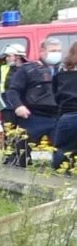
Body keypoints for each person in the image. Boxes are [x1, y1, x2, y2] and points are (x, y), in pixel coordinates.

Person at [4, 38, 62, 167]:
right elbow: (13, 91)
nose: (56, 53)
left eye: (59, 51)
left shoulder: (63, 70)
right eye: (53, 50)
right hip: (32, 116)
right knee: (21, 154)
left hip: (57, 117)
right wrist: (19, 106)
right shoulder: (28, 69)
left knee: (62, 154)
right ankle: (15, 182)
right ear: (42, 51)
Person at [51, 43, 77, 173]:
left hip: (68, 117)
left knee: (63, 151)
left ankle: (60, 182)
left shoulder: (61, 74)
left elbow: (56, 96)